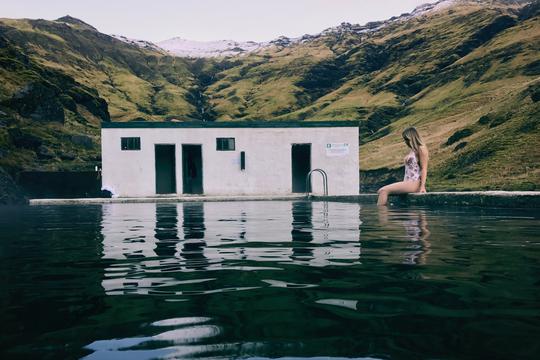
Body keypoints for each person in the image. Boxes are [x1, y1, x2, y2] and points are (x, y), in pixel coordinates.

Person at [377, 127, 429, 206]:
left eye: (406, 139)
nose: (405, 141)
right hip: (407, 182)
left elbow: (424, 169)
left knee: (384, 191)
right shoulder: (412, 150)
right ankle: (385, 214)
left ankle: (382, 215)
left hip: (414, 182)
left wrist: (422, 187)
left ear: (412, 137)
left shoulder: (421, 149)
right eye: (405, 139)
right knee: (380, 191)